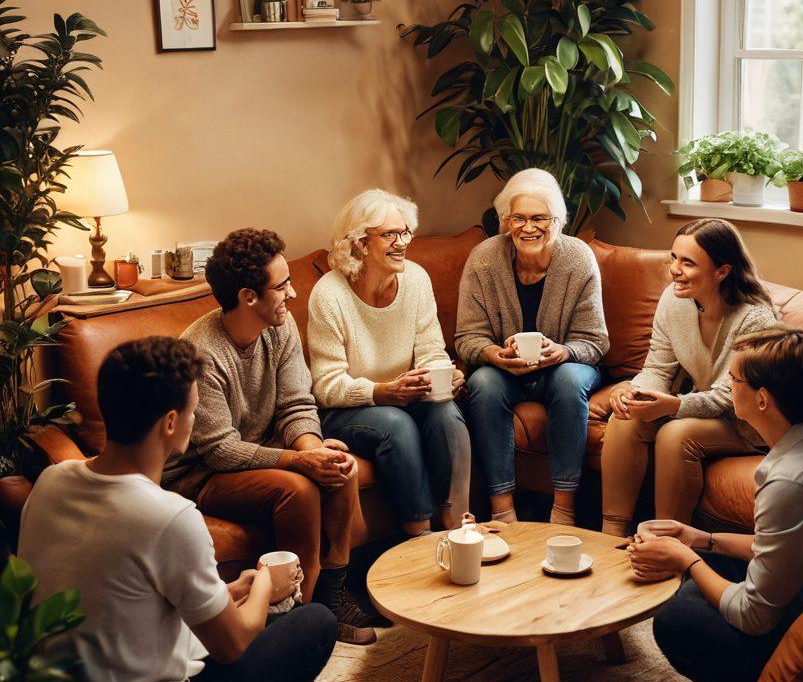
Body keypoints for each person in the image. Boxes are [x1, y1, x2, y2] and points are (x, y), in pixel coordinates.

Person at [17, 337, 337, 682]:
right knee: (314, 623)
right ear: (171, 422)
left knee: (245, 615)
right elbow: (233, 645)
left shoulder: (51, 482)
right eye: (193, 409)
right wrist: (265, 582)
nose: (195, 418)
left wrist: (231, 592)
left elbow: (123, 600)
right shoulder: (170, 516)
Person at [630, 327, 803, 682]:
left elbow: (754, 617)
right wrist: (701, 539)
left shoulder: (793, 480)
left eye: (734, 379)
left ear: (762, 399)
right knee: (711, 567)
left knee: (677, 617)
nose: (728, 385)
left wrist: (686, 558)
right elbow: (784, 548)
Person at [163, 228, 376, 646]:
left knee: (340, 468)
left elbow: (296, 403)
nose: (293, 294)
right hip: (200, 473)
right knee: (299, 489)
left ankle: (332, 595)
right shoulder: (202, 352)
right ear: (248, 296)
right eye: (282, 287)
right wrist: (300, 462)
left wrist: (315, 451)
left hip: (258, 451)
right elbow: (220, 451)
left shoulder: (280, 325)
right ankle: (299, 620)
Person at [600, 218, 778, 536]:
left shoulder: (755, 319)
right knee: (624, 417)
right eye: (674, 258)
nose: (674, 270)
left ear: (721, 271)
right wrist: (635, 393)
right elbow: (658, 367)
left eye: (688, 263)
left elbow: (729, 396)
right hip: (703, 407)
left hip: (749, 421)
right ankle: (609, 535)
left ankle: (665, 542)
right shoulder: (674, 299)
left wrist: (673, 406)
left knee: (675, 434)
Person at [307, 189, 470, 533]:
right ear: (360, 244)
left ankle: (457, 526)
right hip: (346, 410)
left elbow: (431, 350)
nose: (402, 243)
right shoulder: (329, 295)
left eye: (405, 232)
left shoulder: (416, 279)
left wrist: (443, 375)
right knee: (396, 425)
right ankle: (419, 535)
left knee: (445, 412)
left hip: (405, 397)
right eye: (390, 235)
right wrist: (382, 392)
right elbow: (326, 385)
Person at [455, 169, 609, 527]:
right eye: (518, 218)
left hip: (564, 367)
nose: (528, 228)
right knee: (483, 383)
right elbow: (467, 337)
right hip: (505, 371)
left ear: (557, 221)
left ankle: (564, 509)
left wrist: (563, 352)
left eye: (539, 218)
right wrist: (494, 355)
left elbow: (595, 340)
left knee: (569, 380)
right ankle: (502, 511)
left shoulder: (578, 258)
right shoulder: (483, 259)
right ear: (505, 221)